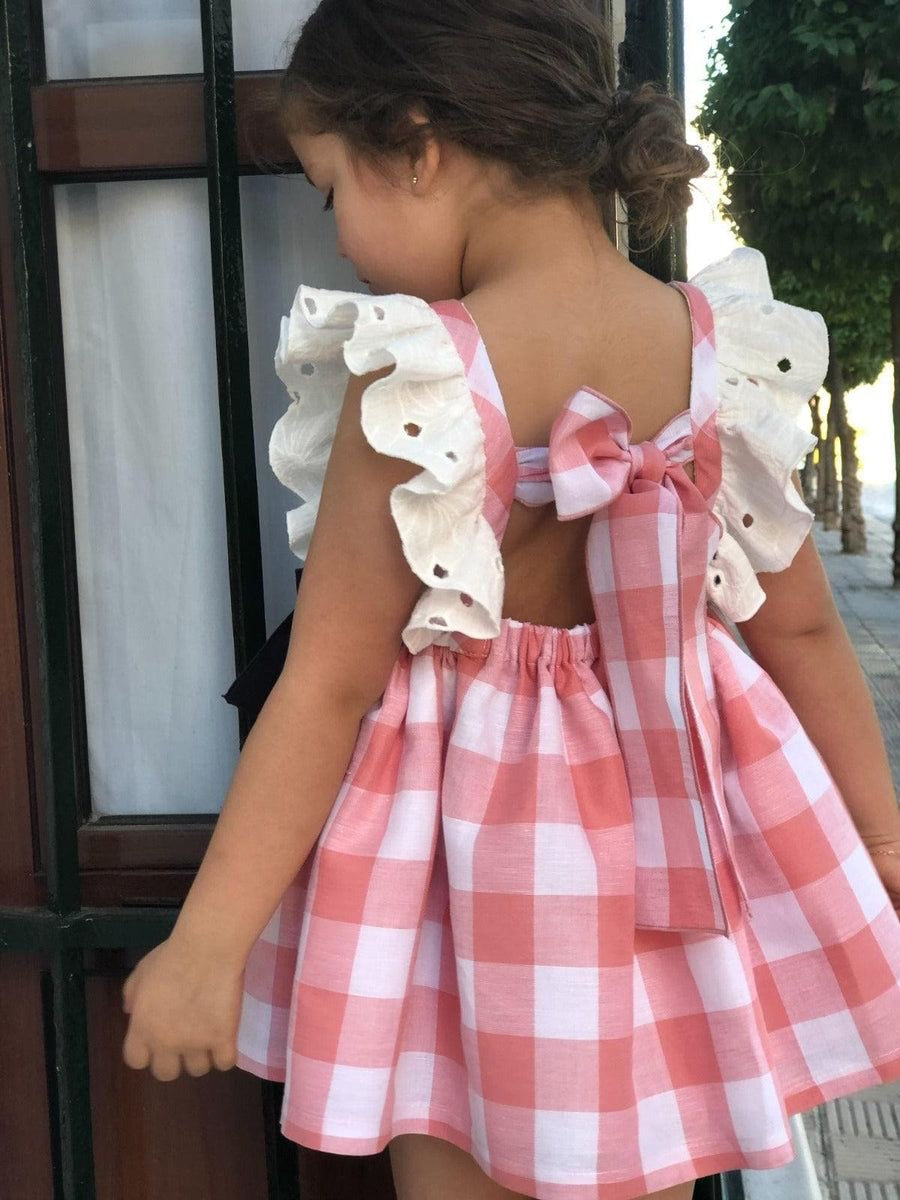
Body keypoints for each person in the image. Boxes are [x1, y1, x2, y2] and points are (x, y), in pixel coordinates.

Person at [120, 2, 900, 1198]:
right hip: (671, 844)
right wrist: (882, 838)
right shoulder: (713, 351)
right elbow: (795, 625)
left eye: (332, 194)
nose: (342, 242)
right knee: (650, 1148)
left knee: (452, 1150)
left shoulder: (422, 380)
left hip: (470, 865)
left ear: (417, 146)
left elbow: (328, 685)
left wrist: (206, 946)